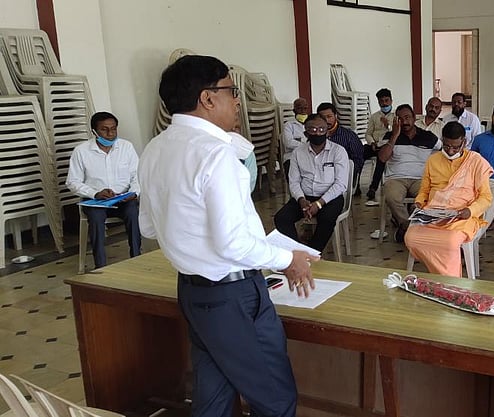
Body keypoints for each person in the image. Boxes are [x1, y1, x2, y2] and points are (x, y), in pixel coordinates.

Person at [138, 55, 318, 417]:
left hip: (192, 291)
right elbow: (232, 242)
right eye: (231, 91)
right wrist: (289, 260)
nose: (237, 100)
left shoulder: (155, 149)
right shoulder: (214, 154)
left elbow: (147, 227)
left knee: (214, 397)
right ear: (207, 98)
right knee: (275, 400)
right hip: (233, 297)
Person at [405, 122, 493, 277]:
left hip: (461, 217)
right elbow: (424, 190)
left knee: (451, 241)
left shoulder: (476, 161)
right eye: (446, 146)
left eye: (455, 147)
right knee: (411, 237)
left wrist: (470, 210)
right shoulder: (433, 160)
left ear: (464, 143)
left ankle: (450, 281)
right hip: (433, 214)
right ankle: (438, 273)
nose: (450, 151)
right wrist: (418, 203)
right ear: (442, 140)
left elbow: (486, 197)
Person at [67, 111, 142, 269]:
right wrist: (95, 193)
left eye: (113, 129)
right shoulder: (81, 151)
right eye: (104, 129)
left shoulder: (126, 147)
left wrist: (134, 192)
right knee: (95, 218)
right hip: (96, 201)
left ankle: (137, 258)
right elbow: (72, 182)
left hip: (123, 199)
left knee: (133, 213)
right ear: (94, 131)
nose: (110, 134)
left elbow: (138, 175)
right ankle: (100, 265)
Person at [273, 114, 349, 251]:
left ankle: (313, 253)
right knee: (281, 218)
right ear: (305, 133)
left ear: (327, 130)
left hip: (330, 198)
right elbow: (294, 181)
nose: (317, 132)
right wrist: (301, 199)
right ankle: (297, 252)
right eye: (312, 129)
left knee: (326, 220)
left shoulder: (338, 151)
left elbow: (341, 184)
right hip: (304, 197)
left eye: (321, 129)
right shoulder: (298, 152)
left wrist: (319, 203)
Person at [379, 104, 441, 242]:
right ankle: (407, 225)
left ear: (414, 118)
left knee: (431, 197)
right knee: (391, 197)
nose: (404, 122)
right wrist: (394, 136)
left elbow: (444, 152)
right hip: (396, 178)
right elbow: (382, 158)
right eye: (400, 119)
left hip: (420, 179)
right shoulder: (389, 136)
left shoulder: (428, 137)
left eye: (407, 117)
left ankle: (410, 226)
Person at [318, 102, 365, 192]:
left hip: (342, 176)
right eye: (323, 118)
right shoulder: (315, 135)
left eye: (329, 116)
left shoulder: (349, 136)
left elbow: (358, 160)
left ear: (335, 116)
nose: (326, 121)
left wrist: (349, 176)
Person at [363, 88, 395, 206]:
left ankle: (373, 188)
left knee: (381, 161)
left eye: (387, 100)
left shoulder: (396, 116)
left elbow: (396, 132)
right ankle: (354, 186)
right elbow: (368, 133)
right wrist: (371, 143)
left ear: (391, 101)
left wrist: (388, 125)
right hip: (374, 145)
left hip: (386, 146)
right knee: (359, 154)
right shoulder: (374, 117)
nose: (385, 103)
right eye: (382, 101)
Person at [281, 97, 309, 174]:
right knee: (293, 174)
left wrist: (299, 142)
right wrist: (306, 145)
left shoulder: (311, 123)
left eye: (305, 108)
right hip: (292, 156)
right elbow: (288, 143)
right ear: (294, 111)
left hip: (309, 156)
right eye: (300, 109)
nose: (303, 111)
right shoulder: (289, 125)